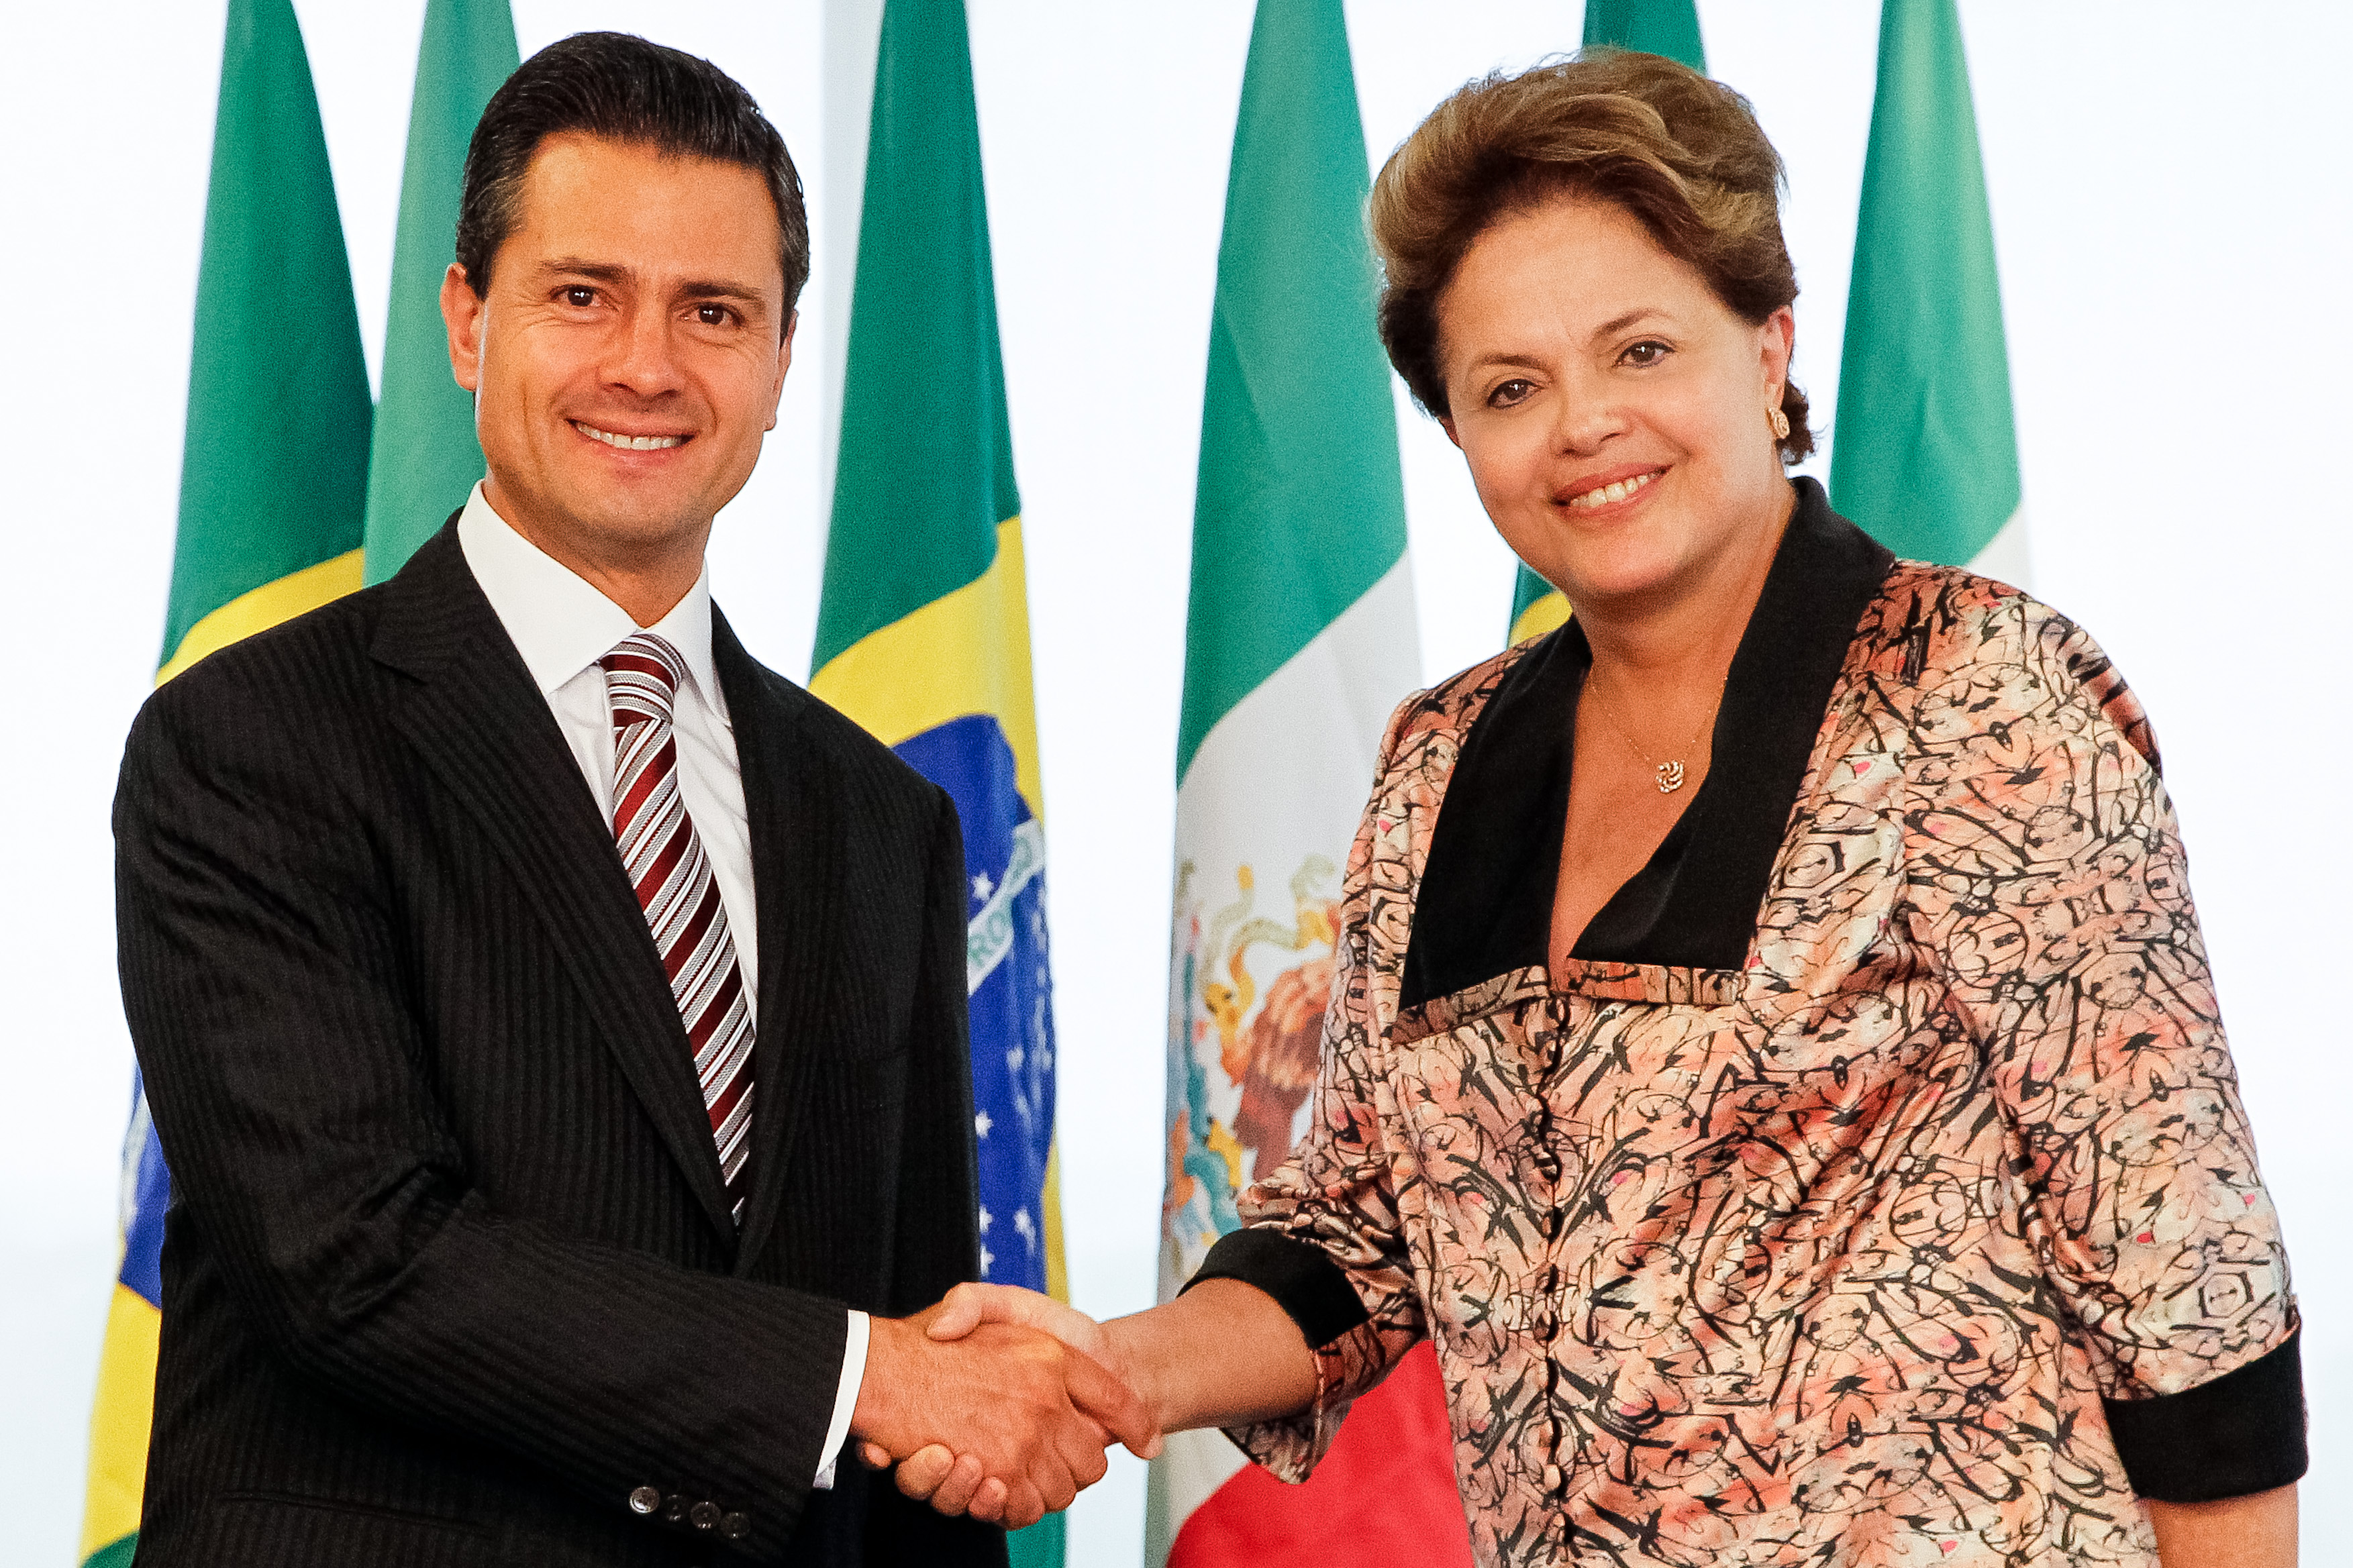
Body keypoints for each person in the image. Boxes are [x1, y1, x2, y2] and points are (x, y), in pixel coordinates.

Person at [880, 51, 2305, 1567]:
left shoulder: (1974, 691)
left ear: (1768, 349)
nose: (1581, 426)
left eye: (1638, 350)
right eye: (1510, 386)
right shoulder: (1442, 760)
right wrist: (1107, 1368)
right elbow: (1361, 1227)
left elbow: (2180, 1272)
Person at [115, 32, 1146, 1566]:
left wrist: (928, 1393)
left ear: (784, 365)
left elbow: (925, 1383)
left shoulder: (882, 821)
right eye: (581, 294)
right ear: (468, 322)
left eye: (713, 311)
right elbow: (354, 1258)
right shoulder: (250, 741)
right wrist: (867, 1374)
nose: (646, 365)